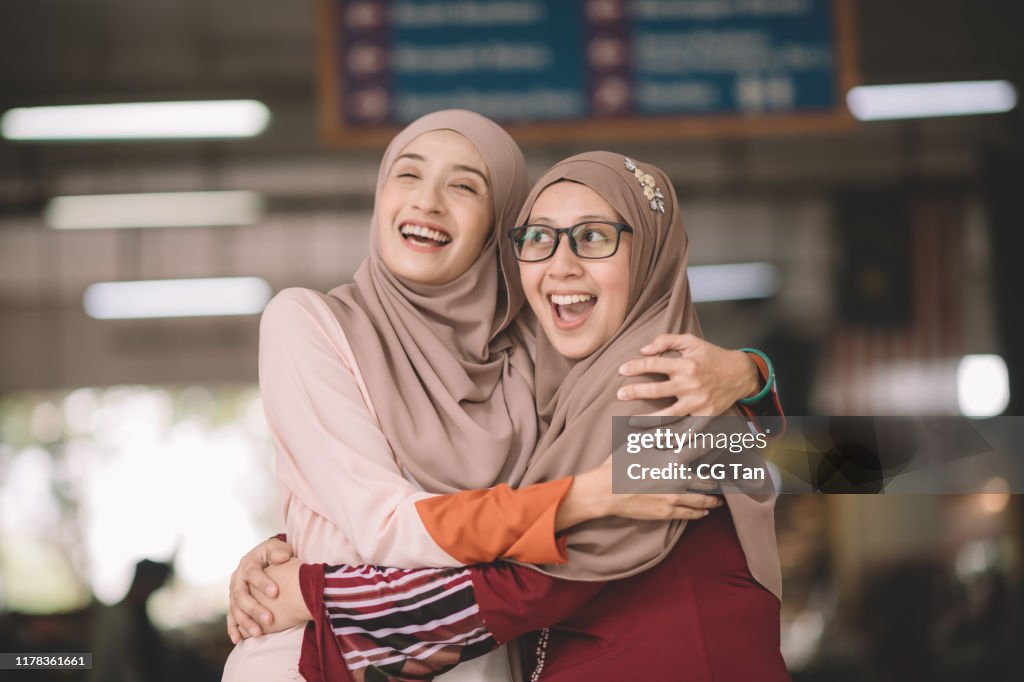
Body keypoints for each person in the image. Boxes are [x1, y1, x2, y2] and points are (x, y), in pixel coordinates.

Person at [224, 114, 780, 681]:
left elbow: (518, 588)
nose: (562, 266)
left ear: (655, 254)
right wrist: (298, 539)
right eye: (540, 238)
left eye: (595, 237)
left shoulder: (659, 391)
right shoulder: (555, 376)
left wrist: (313, 594)